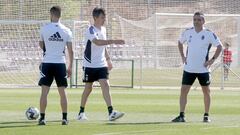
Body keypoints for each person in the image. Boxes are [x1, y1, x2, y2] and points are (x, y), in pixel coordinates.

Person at [172, 12, 222, 123]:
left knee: (206, 91)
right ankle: (181, 115)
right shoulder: (188, 32)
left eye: (199, 19)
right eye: (195, 19)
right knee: (183, 91)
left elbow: (220, 47)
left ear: (203, 21)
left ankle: (206, 115)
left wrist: (212, 60)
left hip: (203, 69)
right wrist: (183, 56)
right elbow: (180, 42)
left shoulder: (209, 33)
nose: (196, 21)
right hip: (189, 68)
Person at [77, 7, 125, 121]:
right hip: (89, 65)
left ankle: (111, 112)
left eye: (104, 17)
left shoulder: (103, 29)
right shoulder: (90, 30)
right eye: (102, 17)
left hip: (101, 64)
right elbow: (97, 42)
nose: (104, 19)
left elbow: (103, 46)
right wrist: (114, 41)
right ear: (95, 18)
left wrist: (108, 59)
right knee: (88, 89)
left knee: (105, 85)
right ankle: (81, 112)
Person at [38, 6, 73, 125]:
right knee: (62, 92)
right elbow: (70, 51)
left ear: (51, 14)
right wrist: (70, 66)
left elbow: (41, 44)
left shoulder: (44, 29)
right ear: (60, 15)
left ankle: (42, 118)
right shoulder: (67, 30)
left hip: (47, 63)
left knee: (44, 92)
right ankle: (64, 118)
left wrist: (49, 52)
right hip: (60, 64)